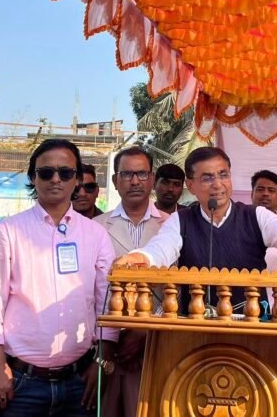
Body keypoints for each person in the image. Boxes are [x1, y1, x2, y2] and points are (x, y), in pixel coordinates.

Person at [0, 139, 117, 416]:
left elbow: (106, 303)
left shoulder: (95, 235)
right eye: (46, 172)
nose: (56, 179)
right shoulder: (8, 232)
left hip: (79, 382)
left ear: (76, 179)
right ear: (32, 178)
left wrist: (102, 362)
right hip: (20, 383)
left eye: (66, 172)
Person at [114, 147, 277, 307]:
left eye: (223, 175)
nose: (218, 184)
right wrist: (139, 257)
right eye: (207, 178)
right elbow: (160, 250)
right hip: (193, 328)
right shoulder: (181, 220)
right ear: (191, 184)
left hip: (250, 325)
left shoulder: (255, 216)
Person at [95, 147, 168, 417]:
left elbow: (181, 290)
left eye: (141, 173)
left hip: (158, 340)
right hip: (108, 345)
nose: (134, 181)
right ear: (115, 181)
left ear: (152, 179)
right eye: (127, 174)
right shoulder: (96, 227)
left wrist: (146, 329)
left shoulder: (172, 226)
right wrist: (109, 342)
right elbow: (93, 290)